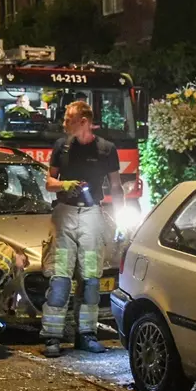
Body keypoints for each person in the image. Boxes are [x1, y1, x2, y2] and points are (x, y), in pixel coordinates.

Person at [40, 101, 123, 358]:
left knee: (90, 279)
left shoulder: (106, 149)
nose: (64, 124)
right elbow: (49, 182)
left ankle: (86, 334)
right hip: (65, 215)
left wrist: (120, 219)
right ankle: (52, 337)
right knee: (61, 277)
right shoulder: (61, 147)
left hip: (91, 215)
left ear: (84, 121)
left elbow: (116, 186)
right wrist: (65, 185)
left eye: (69, 119)